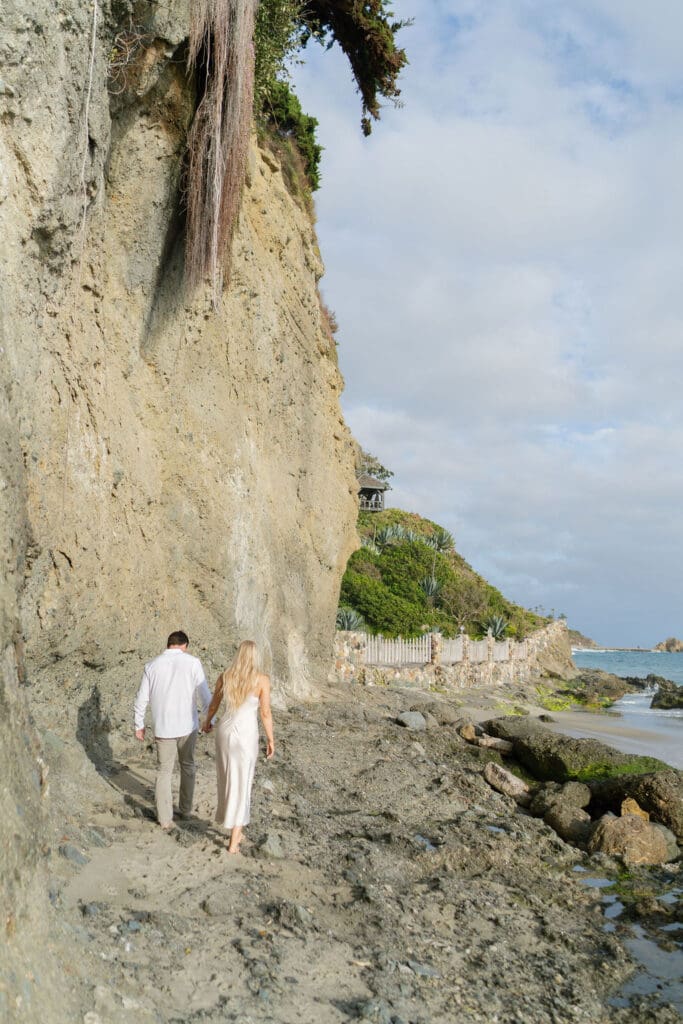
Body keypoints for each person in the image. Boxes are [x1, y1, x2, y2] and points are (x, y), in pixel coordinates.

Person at [202, 640, 275, 854]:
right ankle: (234, 841)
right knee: (243, 782)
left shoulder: (227, 675)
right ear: (255, 657)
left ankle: (231, 823)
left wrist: (207, 722)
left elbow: (214, 703)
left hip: (225, 730)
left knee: (226, 778)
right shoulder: (262, 680)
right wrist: (271, 740)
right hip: (245, 734)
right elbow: (265, 713)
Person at [134, 630, 211, 830]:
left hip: (163, 727)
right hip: (187, 725)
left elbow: (142, 698)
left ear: (169, 644)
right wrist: (208, 719)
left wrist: (139, 724)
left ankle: (165, 819)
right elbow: (205, 695)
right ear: (184, 645)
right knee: (188, 766)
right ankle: (185, 810)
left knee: (164, 771)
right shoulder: (193, 662)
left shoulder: (151, 665)